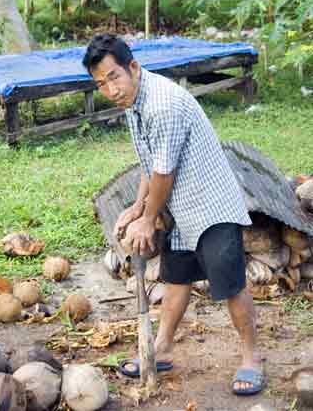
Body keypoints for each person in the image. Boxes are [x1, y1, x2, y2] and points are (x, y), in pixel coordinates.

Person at [82, 33, 264, 395]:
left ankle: (251, 357)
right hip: (180, 205)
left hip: (211, 205)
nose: (110, 90)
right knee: (176, 278)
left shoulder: (161, 104)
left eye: (114, 77)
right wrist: (137, 207)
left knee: (230, 284)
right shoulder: (135, 102)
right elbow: (150, 166)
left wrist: (149, 219)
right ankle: (162, 347)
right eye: (101, 84)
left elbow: (164, 172)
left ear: (132, 67)